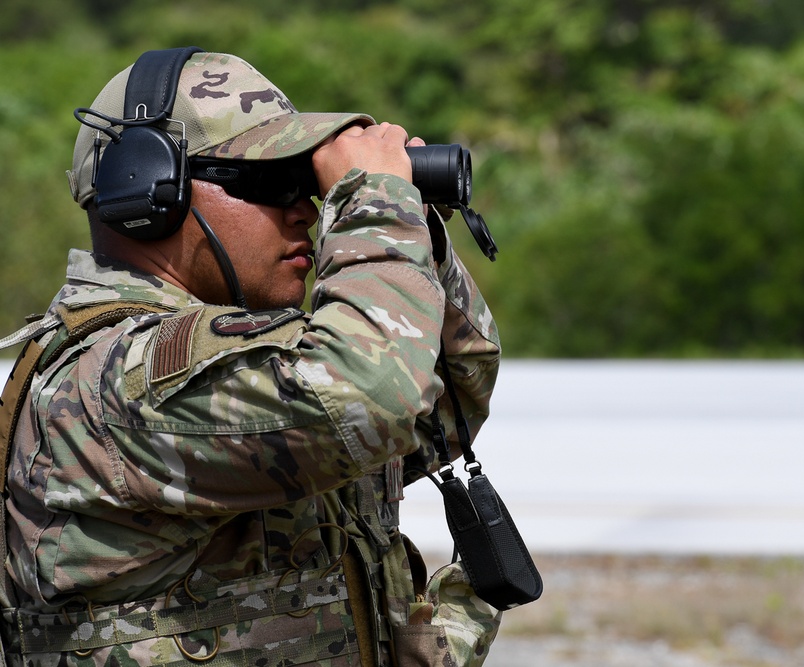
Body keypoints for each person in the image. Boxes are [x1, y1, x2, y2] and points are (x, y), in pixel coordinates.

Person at [0, 48, 502, 666]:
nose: (307, 211)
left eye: (308, 186)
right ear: (151, 188)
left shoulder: (263, 358)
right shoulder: (110, 381)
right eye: (269, 184)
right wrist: (374, 205)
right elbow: (374, 398)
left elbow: (448, 397)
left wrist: (406, 220)